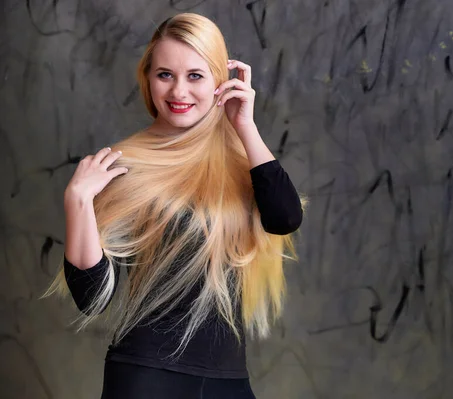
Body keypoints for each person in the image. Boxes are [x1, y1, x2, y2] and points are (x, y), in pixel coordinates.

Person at [43, 12, 304, 399]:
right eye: (165, 74)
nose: (179, 92)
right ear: (148, 80)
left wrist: (245, 126)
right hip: (146, 377)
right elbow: (92, 298)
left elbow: (284, 218)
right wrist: (77, 200)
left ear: (221, 80)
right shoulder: (124, 165)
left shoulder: (242, 162)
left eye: (195, 75)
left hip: (227, 380)